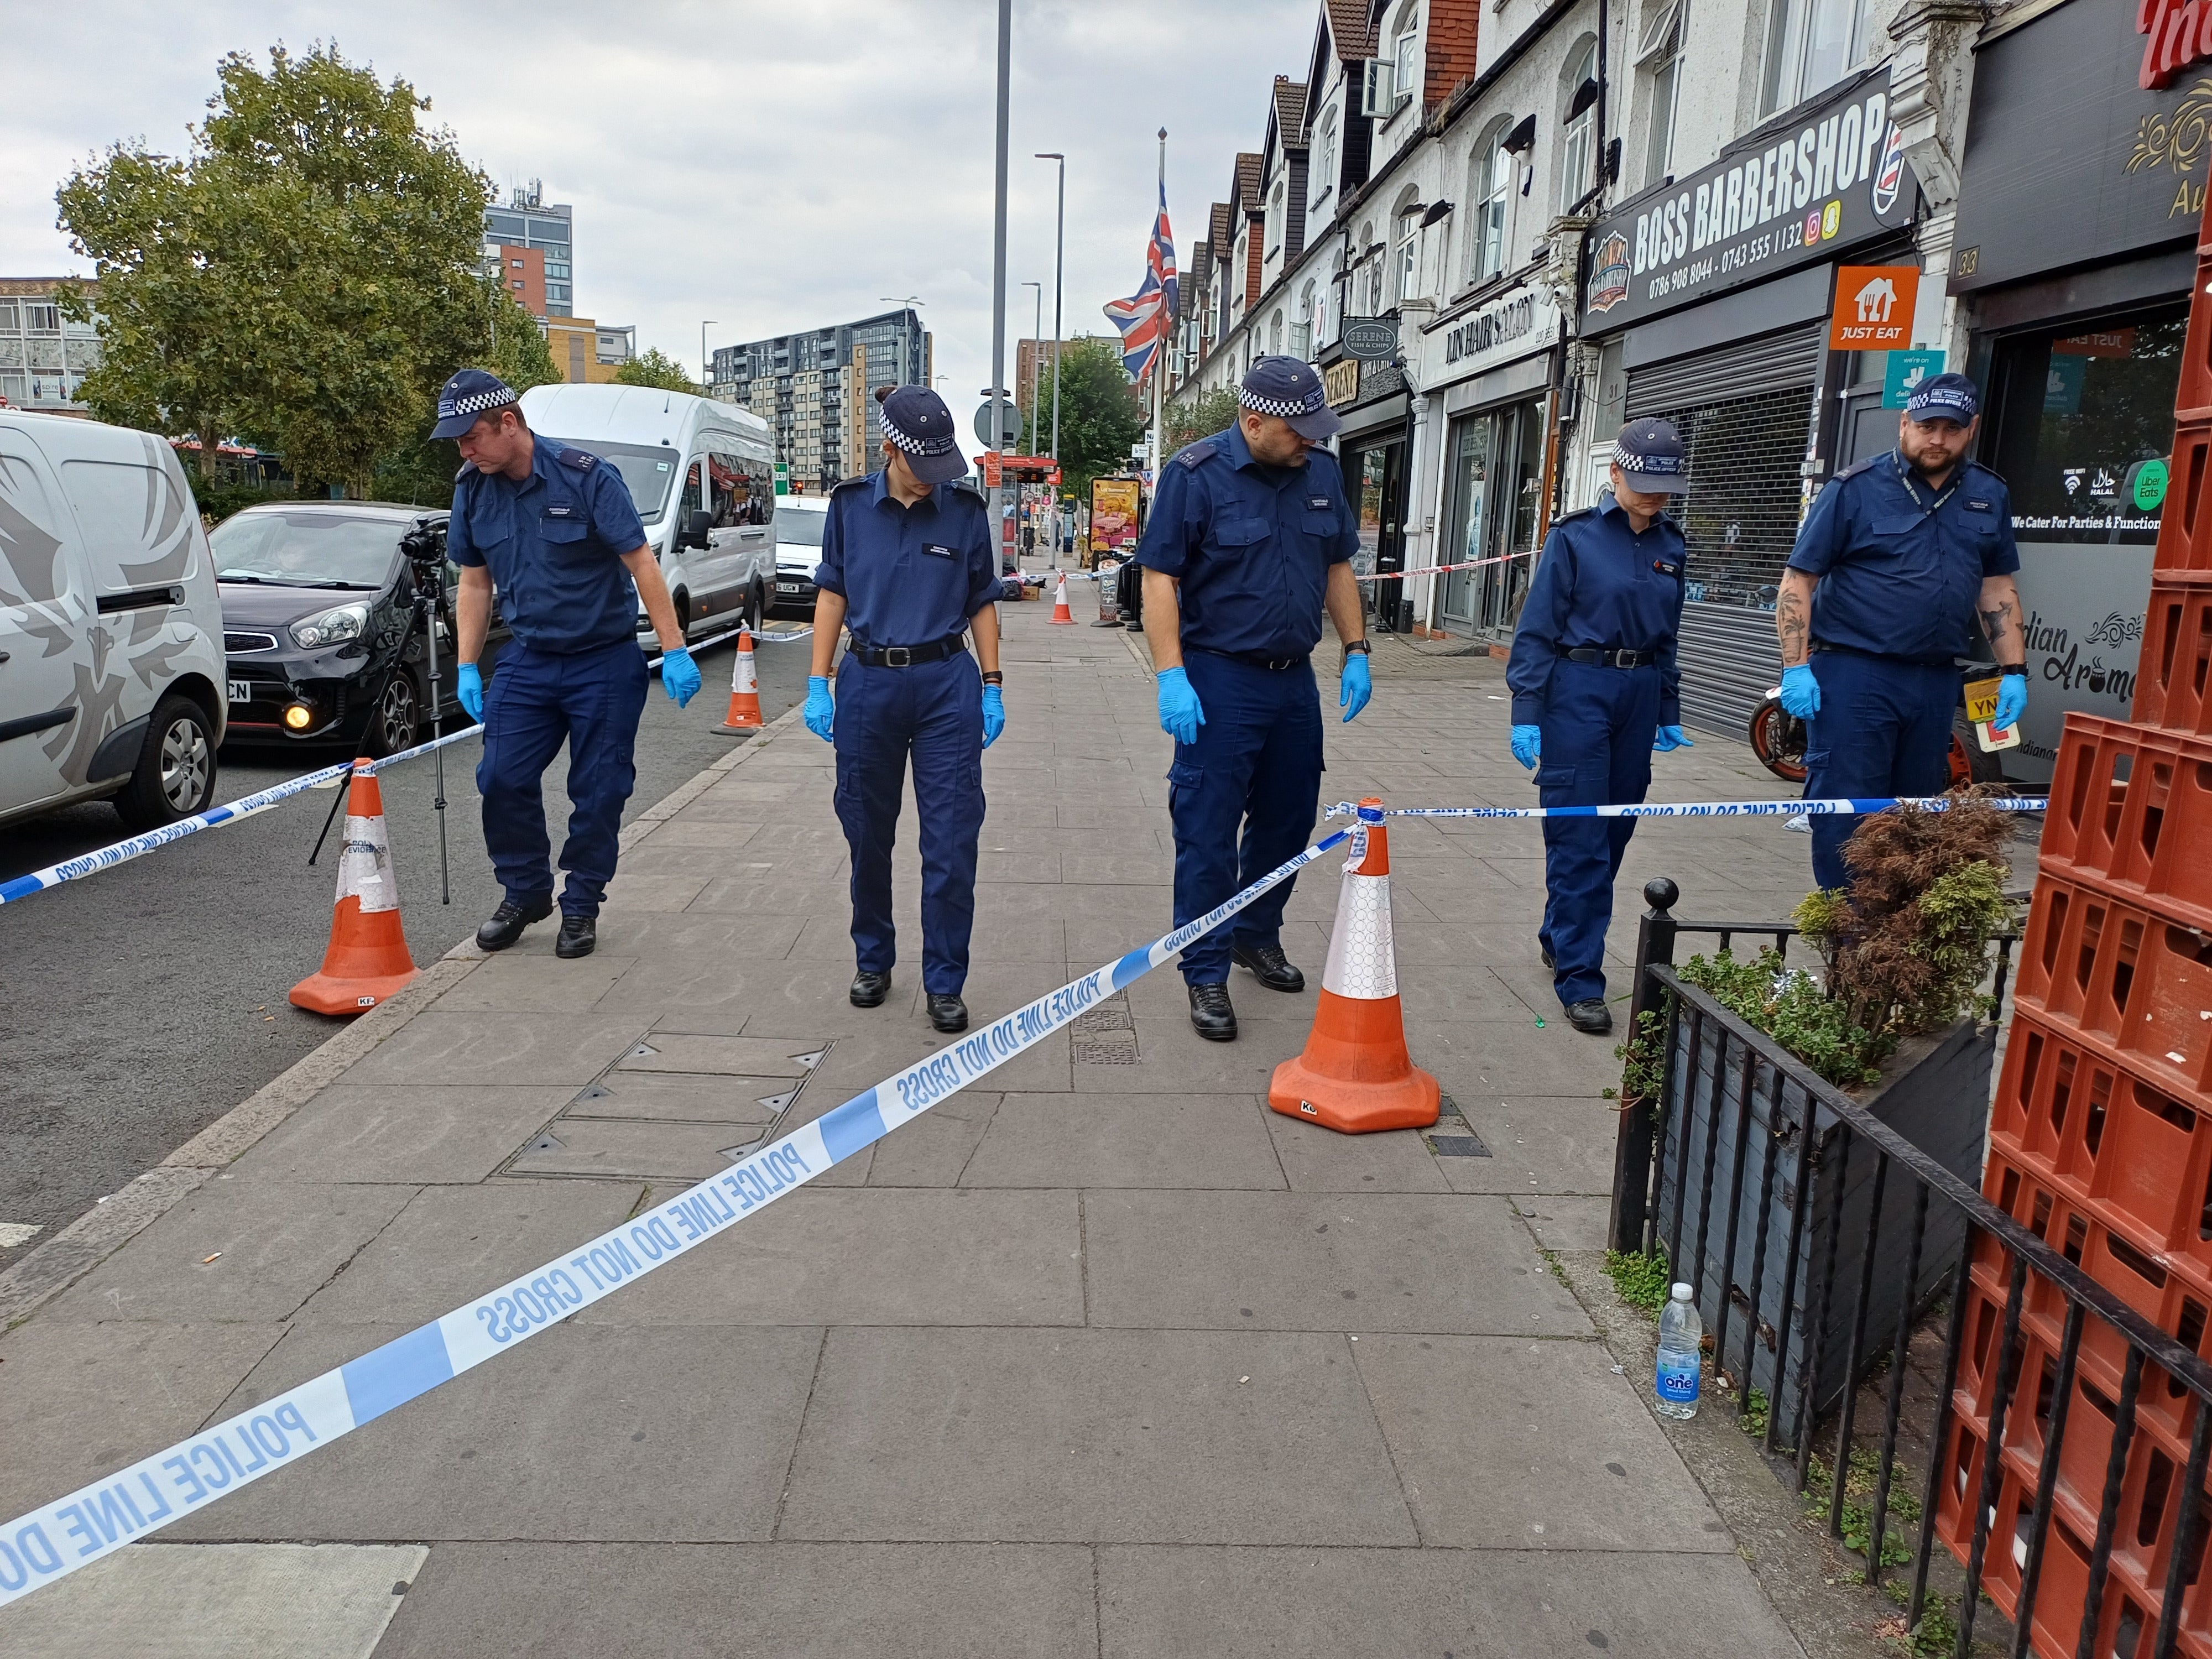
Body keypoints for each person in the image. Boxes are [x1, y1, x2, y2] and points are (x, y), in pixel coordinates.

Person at [1136, 355, 1371, 1043]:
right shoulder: (1195, 474)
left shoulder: (1320, 473)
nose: (1310, 441)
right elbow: (1158, 578)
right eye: (1298, 430)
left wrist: (1356, 649)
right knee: (1207, 831)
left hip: (1293, 681)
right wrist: (1170, 674)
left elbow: (1337, 564)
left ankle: (1254, 934)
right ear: (1253, 420)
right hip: (1219, 677)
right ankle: (1204, 968)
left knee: (1286, 822)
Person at [440, 369, 702, 961]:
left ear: (509, 423)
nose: (465, 451)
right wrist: (466, 666)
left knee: (599, 790)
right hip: (529, 659)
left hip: (602, 661)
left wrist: (675, 648)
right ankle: (526, 892)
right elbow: (475, 583)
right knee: (500, 777)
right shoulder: (473, 488)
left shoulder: (586, 477)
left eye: (471, 437)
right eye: (458, 442)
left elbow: (642, 563)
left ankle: (581, 902)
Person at [1775, 371, 2026, 893]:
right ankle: (1847, 928)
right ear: (1905, 422)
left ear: (1972, 428)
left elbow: (1996, 588)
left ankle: (1895, 926)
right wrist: (1795, 667)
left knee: (1915, 815)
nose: (1937, 439)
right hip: (1855, 675)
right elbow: (1798, 581)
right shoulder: (1855, 489)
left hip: (1934, 681)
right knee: (1847, 814)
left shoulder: (1989, 493)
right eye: (1927, 426)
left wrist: (2014, 671)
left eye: (1951, 429)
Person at [804, 385, 1004, 1035]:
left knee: (951, 841)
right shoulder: (849, 508)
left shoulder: (964, 511)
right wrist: (817, 681)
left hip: (947, 686)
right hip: (869, 684)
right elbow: (832, 594)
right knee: (867, 833)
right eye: (924, 465)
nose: (933, 478)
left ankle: (944, 980)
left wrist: (993, 684)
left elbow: (981, 600)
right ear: (890, 449)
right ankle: (873, 958)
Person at [1505, 418, 1695, 1037]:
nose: (1656, 496)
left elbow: (1668, 639)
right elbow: (1536, 631)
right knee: (1579, 836)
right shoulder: (1575, 538)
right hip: (1577, 691)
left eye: (1666, 486)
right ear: (1614, 473)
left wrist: (1667, 708)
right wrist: (1527, 710)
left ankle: (1561, 933)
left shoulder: (1673, 545)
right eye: (1645, 483)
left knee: (1613, 834)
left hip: (1637, 696)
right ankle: (1581, 977)